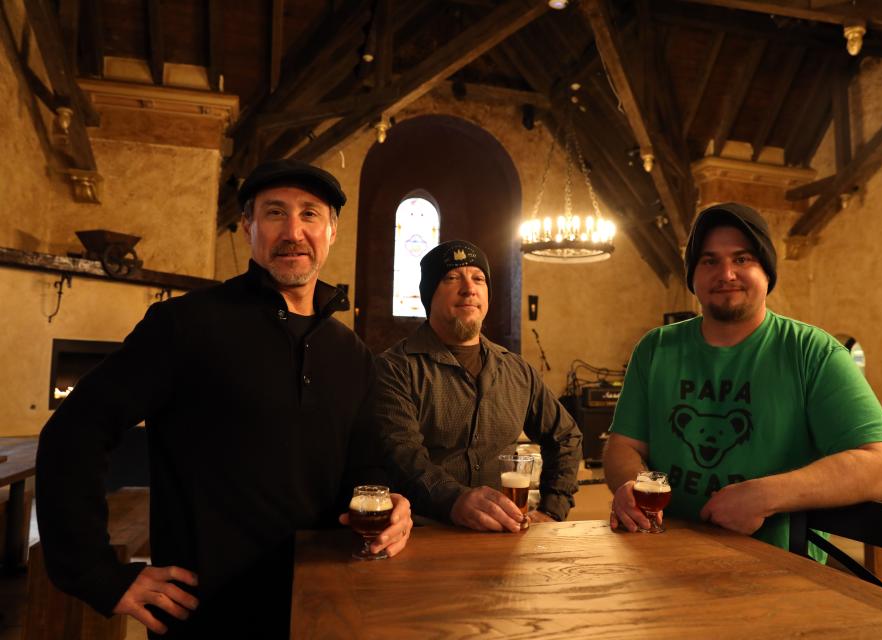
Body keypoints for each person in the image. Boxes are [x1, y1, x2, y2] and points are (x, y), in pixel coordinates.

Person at [36, 159, 413, 638]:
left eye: (310, 214)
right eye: (275, 213)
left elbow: (365, 469)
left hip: (326, 605)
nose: (293, 231)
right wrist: (96, 575)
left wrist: (390, 508)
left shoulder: (353, 354)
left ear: (332, 231)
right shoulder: (185, 326)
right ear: (248, 227)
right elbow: (75, 431)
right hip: (208, 614)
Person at [603, 202, 882, 549]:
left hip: (782, 570)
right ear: (694, 277)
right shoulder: (656, 348)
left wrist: (765, 495)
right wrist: (630, 485)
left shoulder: (812, 352)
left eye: (742, 259)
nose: (726, 273)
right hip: (663, 552)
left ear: (766, 272)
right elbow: (623, 446)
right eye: (710, 260)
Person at [375, 240, 582, 532]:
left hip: (504, 540)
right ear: (429, 295)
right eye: (451, 277)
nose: (469, 288)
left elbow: (566, 437)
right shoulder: (395, 368)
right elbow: (402, 455)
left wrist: (552, 509)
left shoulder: (518, 371)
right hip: (422, 537)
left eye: (478, 278)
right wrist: (455, 500)